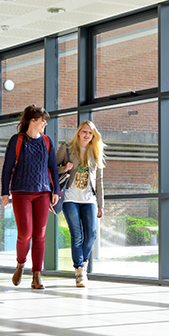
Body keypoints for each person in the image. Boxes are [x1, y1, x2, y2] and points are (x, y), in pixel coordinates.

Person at [0, 105, 60, 289]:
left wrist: (56, 190)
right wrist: (4, 191)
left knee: (40, 235)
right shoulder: (17, 140)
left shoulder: (47, 141)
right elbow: (7, 167)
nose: (44, 124)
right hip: (21, 192)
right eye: (43, 120)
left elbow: (52, 168)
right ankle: (20, 264)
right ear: (32, 121)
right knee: (25, 234)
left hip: (43, 192)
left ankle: (36, 275)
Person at [56, 120, 106, 287]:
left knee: (91, 234)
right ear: (78, 132)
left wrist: (101, 204)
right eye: (84, 131)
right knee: (77, 235)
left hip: (89, 200)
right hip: (70, 198)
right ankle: (79, 271)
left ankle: (82, 264)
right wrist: (65, 168)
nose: (86, 135)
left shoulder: (95, 151)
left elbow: (99, 180)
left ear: (93, 136)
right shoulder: (67, 149)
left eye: (90, 133)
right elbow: (51, 169)